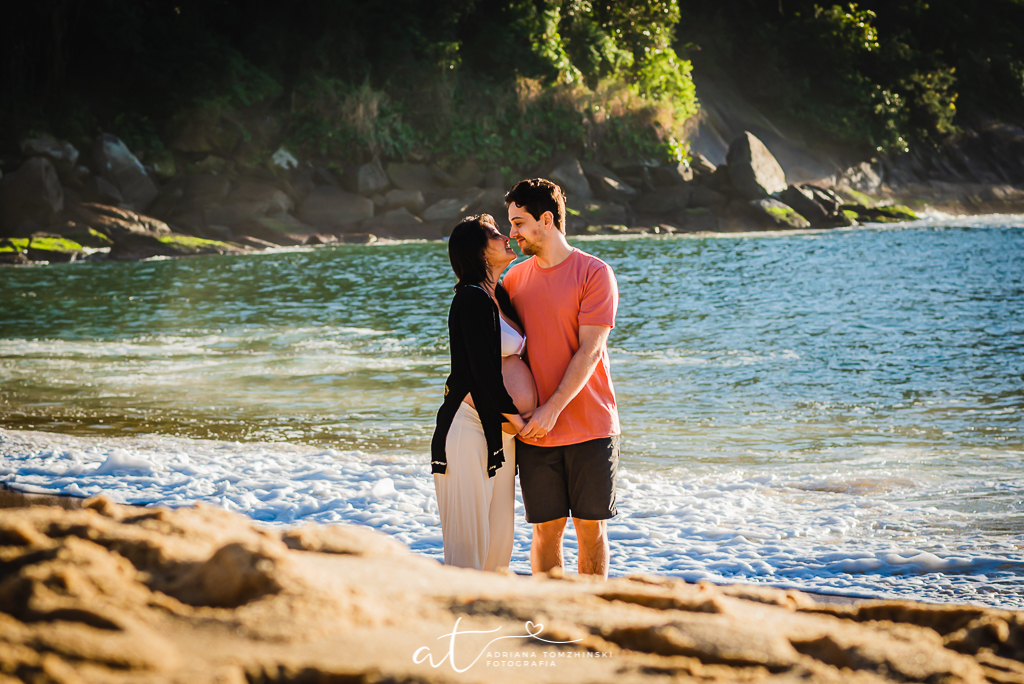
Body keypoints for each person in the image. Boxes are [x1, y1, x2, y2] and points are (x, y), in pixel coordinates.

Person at [502, 178, 620, 579]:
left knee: (591, 531)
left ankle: (591, 621)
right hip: (536, 429)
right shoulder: (513, 281)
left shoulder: (595, 273)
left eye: (518, 223)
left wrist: (553, 409)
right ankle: (549, 621)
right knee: (545, 533)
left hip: (591, 426)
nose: (511, 233)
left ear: (546, 220)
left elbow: (590, 350)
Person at [430, 214, 538, 571]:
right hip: (469, 428)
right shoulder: (471, 299)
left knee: (498, 550)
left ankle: (490, 625)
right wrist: (520, 423)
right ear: (478, 252)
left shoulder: (500, 296)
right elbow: (482, 376)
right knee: (467, 555)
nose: (505, 236)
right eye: (494, 233)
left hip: (499, 435)